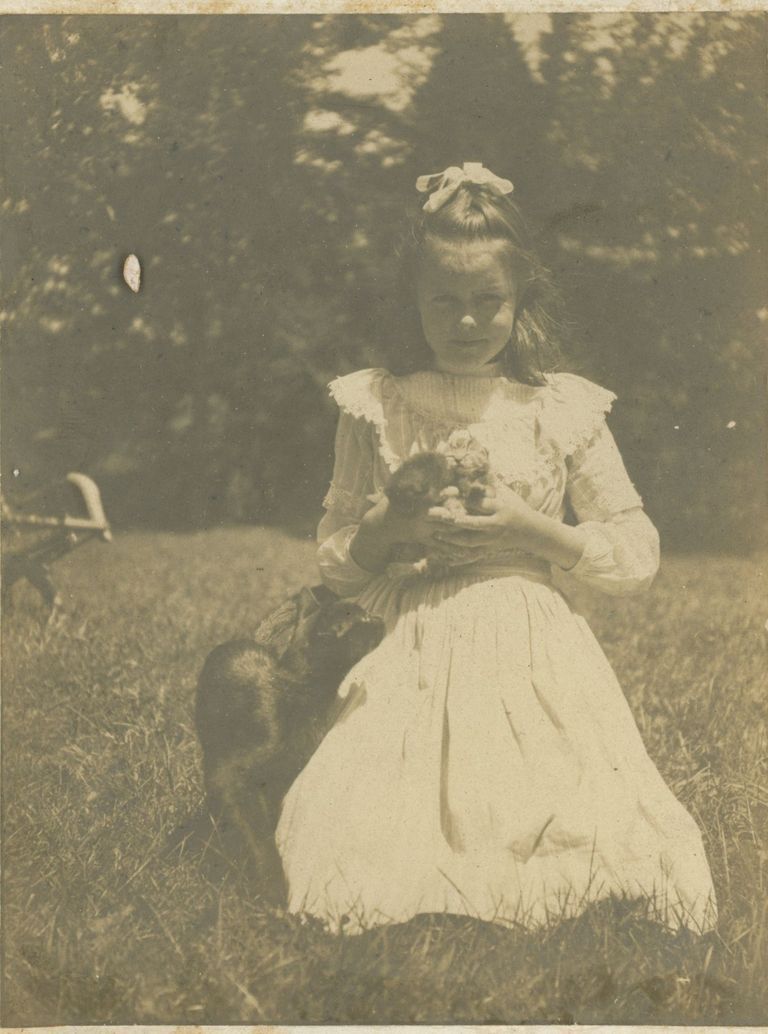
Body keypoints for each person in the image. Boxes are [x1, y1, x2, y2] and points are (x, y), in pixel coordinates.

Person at [275, 163, 717, 936]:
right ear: (413, 302)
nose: (468, 321)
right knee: (348, 823)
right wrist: (391, 530)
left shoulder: (559, 406)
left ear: (521, 300)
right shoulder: (379, 402)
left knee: (567, 818)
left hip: (535, 643)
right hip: (416, 635)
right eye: (445, 301)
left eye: (489, 302)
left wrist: (528, 529)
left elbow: (635, 550)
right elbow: (337, 558)